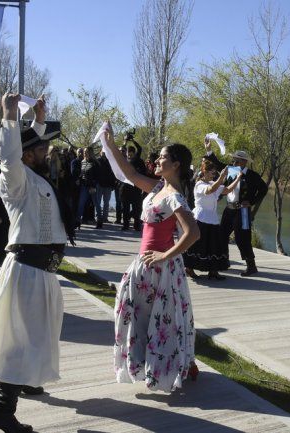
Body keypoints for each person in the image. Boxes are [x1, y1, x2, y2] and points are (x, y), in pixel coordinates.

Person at [0, 93, 76, 433]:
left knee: (40, 333)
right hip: (28, 270)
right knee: (23, 339)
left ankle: (27, 379)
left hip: (41, 271)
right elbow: (10, 156)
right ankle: (0, 410)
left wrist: (38, 119)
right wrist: (8, 115)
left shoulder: (35, 177)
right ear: (27, 154)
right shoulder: (15, 180)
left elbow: (28, 145)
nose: (48, 151)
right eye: (41, 148)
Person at [100, 122, 201, 392]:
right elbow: (130, 173)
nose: (157, 160)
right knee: (139, 317)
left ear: (176, 165)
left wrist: (163, 255)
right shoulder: (158, 188)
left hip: (161, 270)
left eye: (163, 157)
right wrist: (111, 145)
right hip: (144, 266)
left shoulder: (175, 197)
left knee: (160, 320)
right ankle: (148, 366)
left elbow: (193, 233)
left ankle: (165, 369)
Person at [205, 144, 268, 276]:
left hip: (243, 212)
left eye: (237, 161)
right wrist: (209, 150)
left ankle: (251, 266)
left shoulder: (252, 176)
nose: (234, 163)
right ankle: (224, 261)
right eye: (233, 160)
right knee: (222, 235)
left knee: (242, 238)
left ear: (244, 162)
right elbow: (217, 163)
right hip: (229, 209)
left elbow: (264, 189)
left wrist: (251, 202)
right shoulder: (231, 170)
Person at [184, 159, 242, 280]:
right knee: (198, 245)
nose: (213, 174)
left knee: (214, 245)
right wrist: (222, 177)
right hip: (201, 218)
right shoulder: (199, 185)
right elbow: (210, 190)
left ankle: (213, 271)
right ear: (204, 171)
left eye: (215, 172)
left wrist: (238, 179)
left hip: (213, 218)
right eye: (212, 172)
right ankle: (189, 268)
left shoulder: (212, 183)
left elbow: (227, 190)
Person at [119, 144, 147, 231]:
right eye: (128, 154)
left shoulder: (138, 161)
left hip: (136, 187)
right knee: (125, 208)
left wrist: (132, 141)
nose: (129, 156)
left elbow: (143, 173)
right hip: (125, 188)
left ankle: (136, 225)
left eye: (131, 154)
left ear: (134, 153)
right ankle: (125, 225)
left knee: (137, 208)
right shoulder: (124, 161)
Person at [76, 146, 98, 227]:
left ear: (90, 153)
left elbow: (97, 176)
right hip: (84, 185)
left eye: (86, 152)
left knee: (96, 203)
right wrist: (79, 179)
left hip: (92, 186)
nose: (85, 153)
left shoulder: (94, 162)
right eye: (84, 152)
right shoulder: (82, 161)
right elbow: (82, 173)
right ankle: (78, 221)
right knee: (81, 203)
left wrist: (93, 185)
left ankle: (99, 220)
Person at [95, 148, 117, 228]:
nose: (104, 153)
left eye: (105, 152)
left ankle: (105, 218)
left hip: (108, 185)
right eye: (102, 152)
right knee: (98, 202)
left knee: (106, 202)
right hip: (99, 185)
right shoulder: (97, 161)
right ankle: (98, 217)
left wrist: (113, 185)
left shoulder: (110, 161)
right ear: (100, 153)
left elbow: (113, 173)